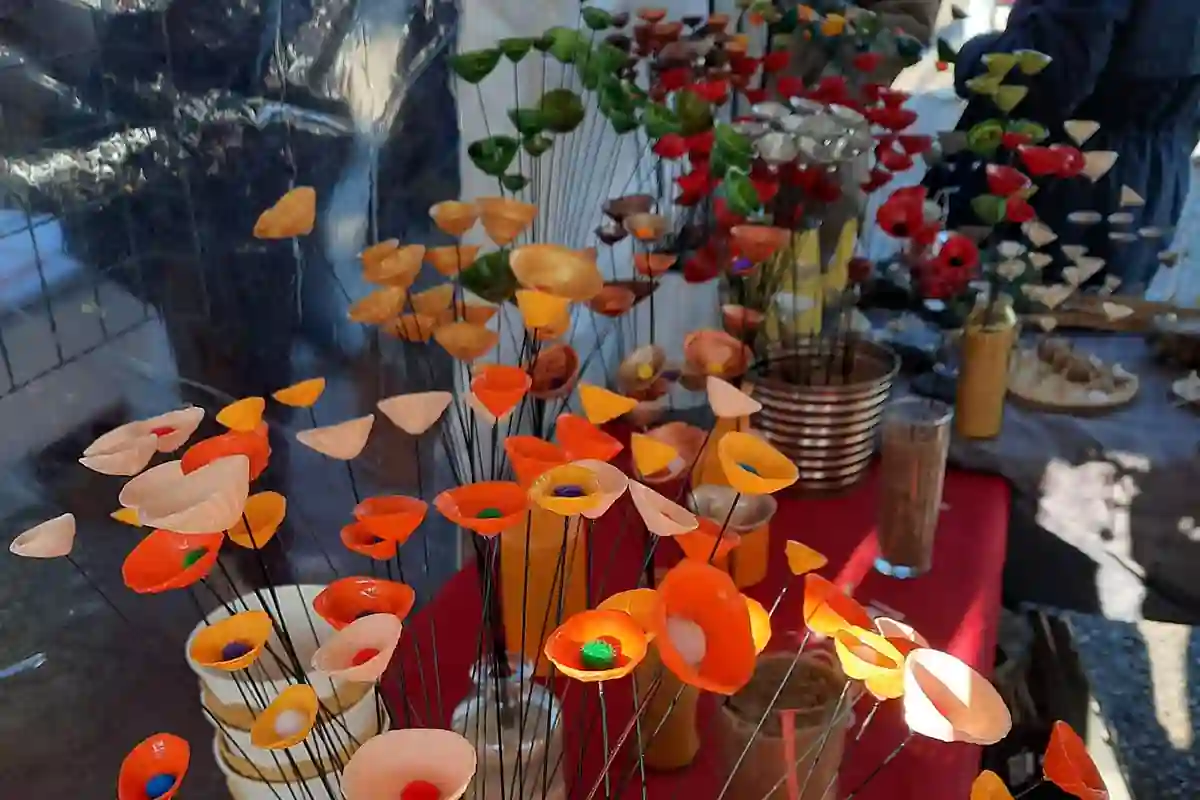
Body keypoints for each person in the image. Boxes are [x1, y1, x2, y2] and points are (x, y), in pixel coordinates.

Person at [933, 0, 1200, 292]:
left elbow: (1050, 70)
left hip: (1065, 178)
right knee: (1090, 325)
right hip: (1153, 179)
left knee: (1003, 322)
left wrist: (973, 54)